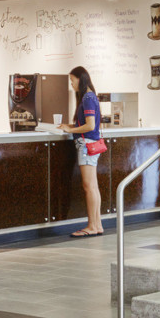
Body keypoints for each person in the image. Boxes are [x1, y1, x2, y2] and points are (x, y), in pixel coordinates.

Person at [60, 66, 104, 237]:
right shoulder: (91, 96)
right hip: (91, 143)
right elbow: (86, 124)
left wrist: (70, 130)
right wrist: (69, 126)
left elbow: (90, 125)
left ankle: (92, 226)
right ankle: (97, 224)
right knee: (93, 186)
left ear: (80, 78)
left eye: (72, 80)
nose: (71, 84)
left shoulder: (87, 98)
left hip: (87, 145)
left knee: (89, 187)